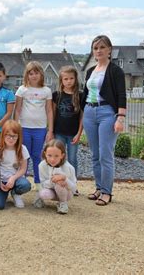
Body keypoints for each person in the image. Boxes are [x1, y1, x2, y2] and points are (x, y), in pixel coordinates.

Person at [82, 35, 126, 206]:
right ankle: (99, 188)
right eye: (95, 48)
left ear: (109, 50)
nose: (98, 51)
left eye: (101, 47)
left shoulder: (116, 71)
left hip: (107, 112)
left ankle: (107, 192)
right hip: (89, 112)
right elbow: (85, 94)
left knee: (105, 155)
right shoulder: (90, 71)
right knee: (95, 155)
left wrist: (120, 118)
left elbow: (122, 94)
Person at [14, 61, 53, 208]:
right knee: (23, 156)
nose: (34, 75)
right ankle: (20, 184)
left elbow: (49, 110)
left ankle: (39, 185)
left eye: (36, 72)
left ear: (41, 74)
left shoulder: (46, 91)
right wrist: (15, 127)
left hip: (40, 128)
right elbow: (17, 110)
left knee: (37, 156)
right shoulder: (22, 90)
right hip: (24, 127)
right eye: (31, 73)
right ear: (27, 75)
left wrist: (50, 130)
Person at [52, 65, 83, 195]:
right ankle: (56, 183)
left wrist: (79, 133)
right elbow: (53, 114)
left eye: (71, 78)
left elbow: (82, 116)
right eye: (66, 79)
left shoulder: (80, 96)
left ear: (75, 79)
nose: (69, 81)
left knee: (72, 159)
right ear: (61, 80)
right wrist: (51, 131)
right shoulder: (57, 95)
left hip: (73, 134)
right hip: (59, 133)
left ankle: (73, 185)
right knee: (57, 159)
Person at [0, 120, 31, 210]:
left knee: (25, 184)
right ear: (3, 135)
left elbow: (23, 169)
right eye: (8, 135)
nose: (11, 139)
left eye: (14, 136)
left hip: (16, 180)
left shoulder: (22, 149)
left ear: (18, 137)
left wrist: (13, 178)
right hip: (2, 181)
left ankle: (15, 193)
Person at [37, 139, 77, 214]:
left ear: (62, 155)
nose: (52, 159)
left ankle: (63, 203)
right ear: (45, 153)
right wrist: (53, 180)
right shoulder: (42, 165)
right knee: (43, 193)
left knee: (59, 183)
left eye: (56, 156)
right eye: (49, 155)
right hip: (50, 190)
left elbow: (74, 188)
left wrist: (65, 179)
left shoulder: (69, 167)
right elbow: (42, 183)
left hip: (66, 193)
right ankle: (40, 198)